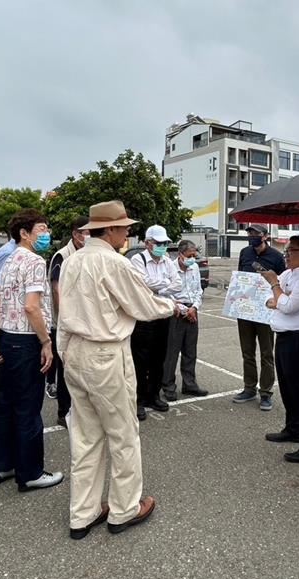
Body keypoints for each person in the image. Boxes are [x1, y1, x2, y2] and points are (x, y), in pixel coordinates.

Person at [57, 200, 176, 539]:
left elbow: (64, 311)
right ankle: (124, 509)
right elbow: (145, 305)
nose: (128, 233)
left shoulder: (73, 259)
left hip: (76, 350)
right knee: (122, 435)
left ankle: (83, 513)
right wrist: (174, 305)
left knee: (85, 436)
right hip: (106, 353)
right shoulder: (113, 262)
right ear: (108, 229)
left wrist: (64, 350)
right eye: (124, 227)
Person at [0, 210, 63, 492]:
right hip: (26, 341)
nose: (46, 233)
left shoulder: (8, 258)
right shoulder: (34, 261)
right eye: (41, 229)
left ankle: (1, 464)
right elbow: (32, 306)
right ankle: (30, 472)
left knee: (4, 404)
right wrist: (45, 342)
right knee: (28, 407)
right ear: (24, 234)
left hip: (6, 338)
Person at [260, 235, 299, 462]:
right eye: (286, 251)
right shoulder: (289, 273)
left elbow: (287, 306)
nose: (286, 255)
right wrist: (278, 295)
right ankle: (293, 428)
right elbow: (270, 300)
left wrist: (276, 287)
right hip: (285, 335)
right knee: (287, 386)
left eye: (291, 251)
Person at [129, 225, 181, 420]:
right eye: (159, 243)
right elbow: (142, 284)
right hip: (144, 316)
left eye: (165, 243)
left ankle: (154, 395)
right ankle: (139, 399)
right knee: (140, 360)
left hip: (163, 314)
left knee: (159, 357)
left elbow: (177, 284)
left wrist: (158, 286)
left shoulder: (167, 261)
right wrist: (163, 285)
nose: (162, 246)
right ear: (148, 243)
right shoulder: (138, 259)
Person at [234, 224, 285, 412]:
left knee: (266, 353)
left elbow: (282, 281)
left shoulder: (277, 257)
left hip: (265, 310)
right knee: (247, 351)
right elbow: (239, 277)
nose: (252, 236)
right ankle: (249, 388)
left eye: (255, 233)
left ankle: (266, 392)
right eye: (249, 233)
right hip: (245, 308)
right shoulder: (245, 252)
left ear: (265, 236)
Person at [48, 216, 90, 426]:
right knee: (66, 369)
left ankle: (78, 409)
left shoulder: (85, 254)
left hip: (83, 321)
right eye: (87, 233)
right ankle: (63, 412)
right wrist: (65, 317)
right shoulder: (62, 256)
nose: (89, 237)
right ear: (76, 234)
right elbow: (57, 288)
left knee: (80, 369)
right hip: (65, 323)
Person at [162, 239, 208, 402]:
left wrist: (194, 308)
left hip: (192, 311)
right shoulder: (170, 268)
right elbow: (166, 293)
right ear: (180, 255)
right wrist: (183, 310)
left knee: (190, 351)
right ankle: (168, 386)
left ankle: (189, 384)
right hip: (176, 313)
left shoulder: (194, 267)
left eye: (195, 255)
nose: (193, 259)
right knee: (171, 352)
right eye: (190, 255)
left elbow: (198, 290)